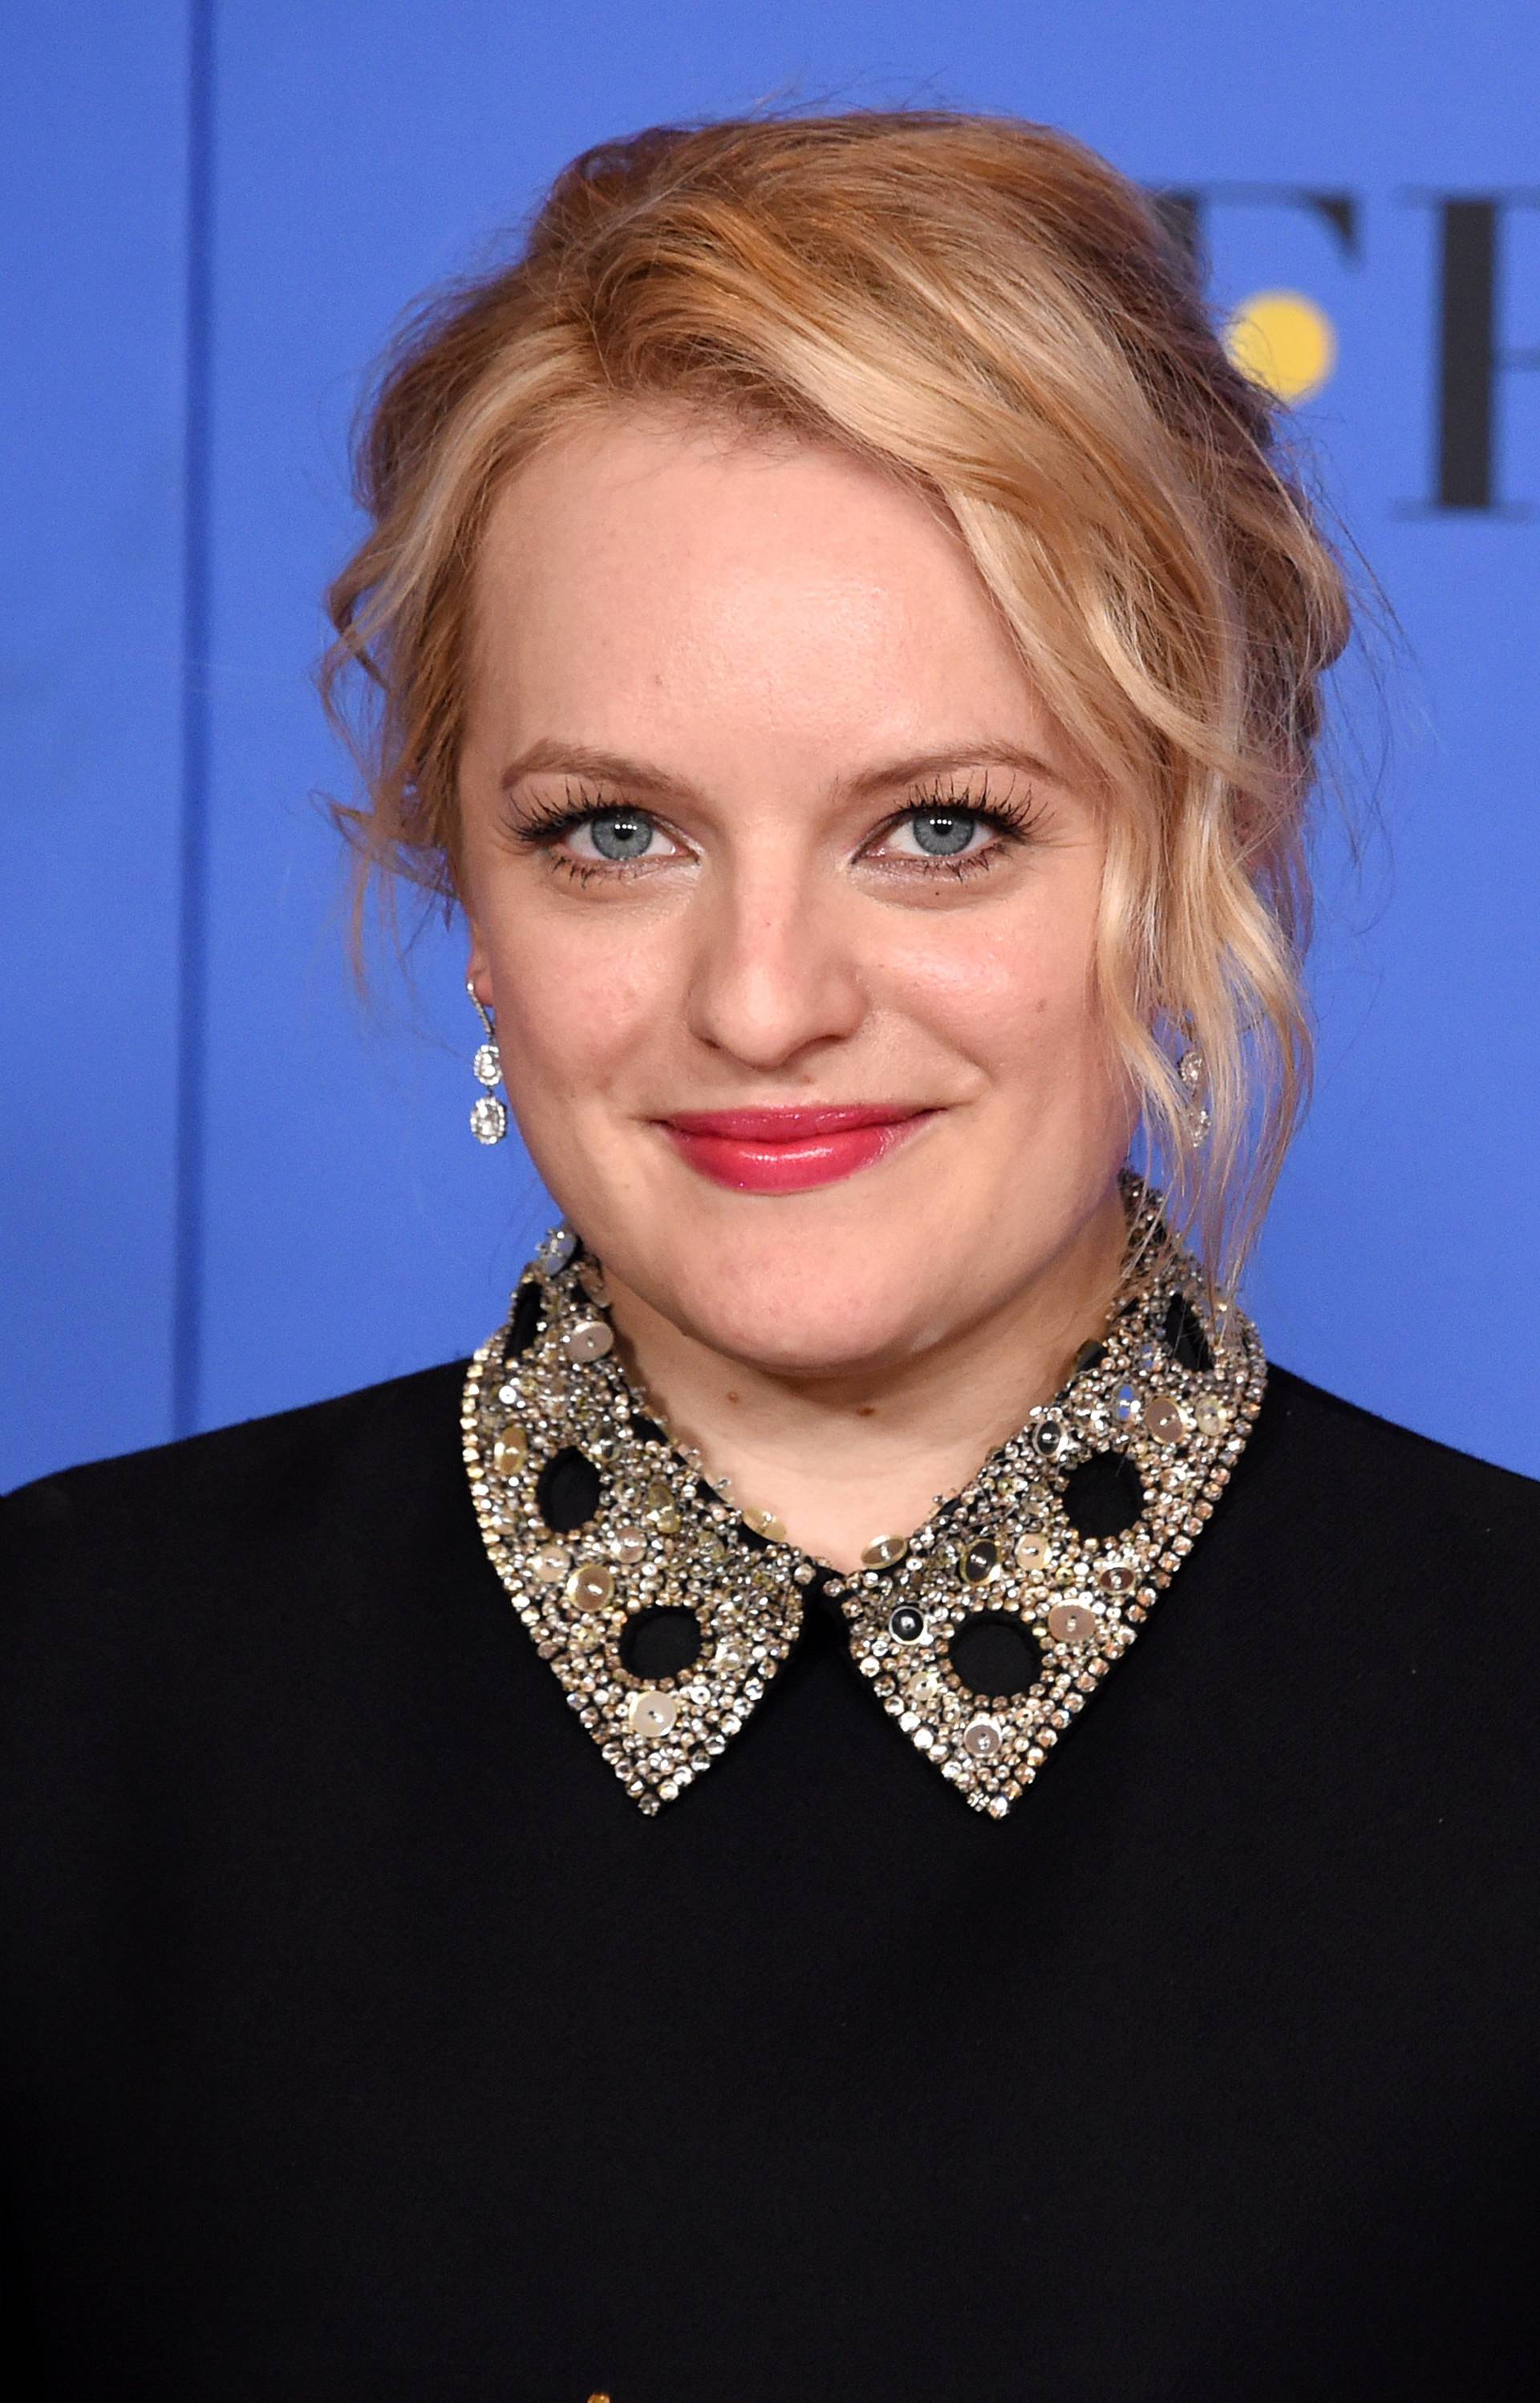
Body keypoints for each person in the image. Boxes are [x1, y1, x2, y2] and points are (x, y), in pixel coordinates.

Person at [2, 107, 1535, 2403]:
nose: (761, 998)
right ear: (467, 887)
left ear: (1209, 831)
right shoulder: (65, 1704)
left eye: (943, 828)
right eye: (613, 831)